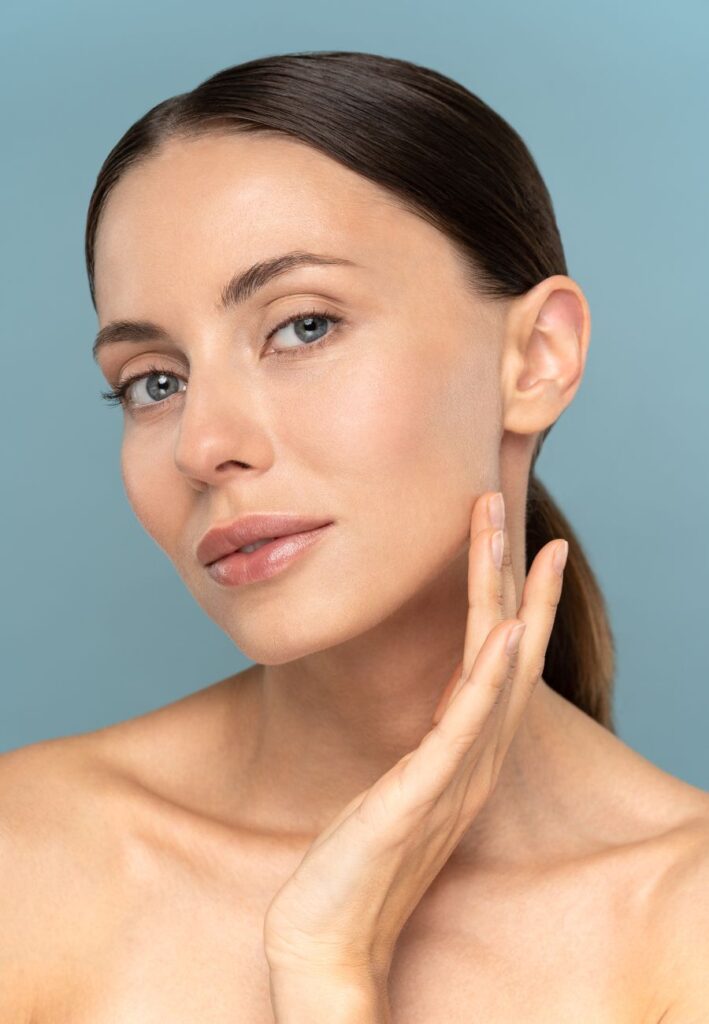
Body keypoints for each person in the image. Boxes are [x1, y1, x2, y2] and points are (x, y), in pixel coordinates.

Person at [2, 50, 707, 1023]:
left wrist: (329, 970)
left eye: (301, 327)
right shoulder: (29, 855)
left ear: (536, 358)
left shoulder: (683, 921)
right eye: (153, 381)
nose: (205, 444)